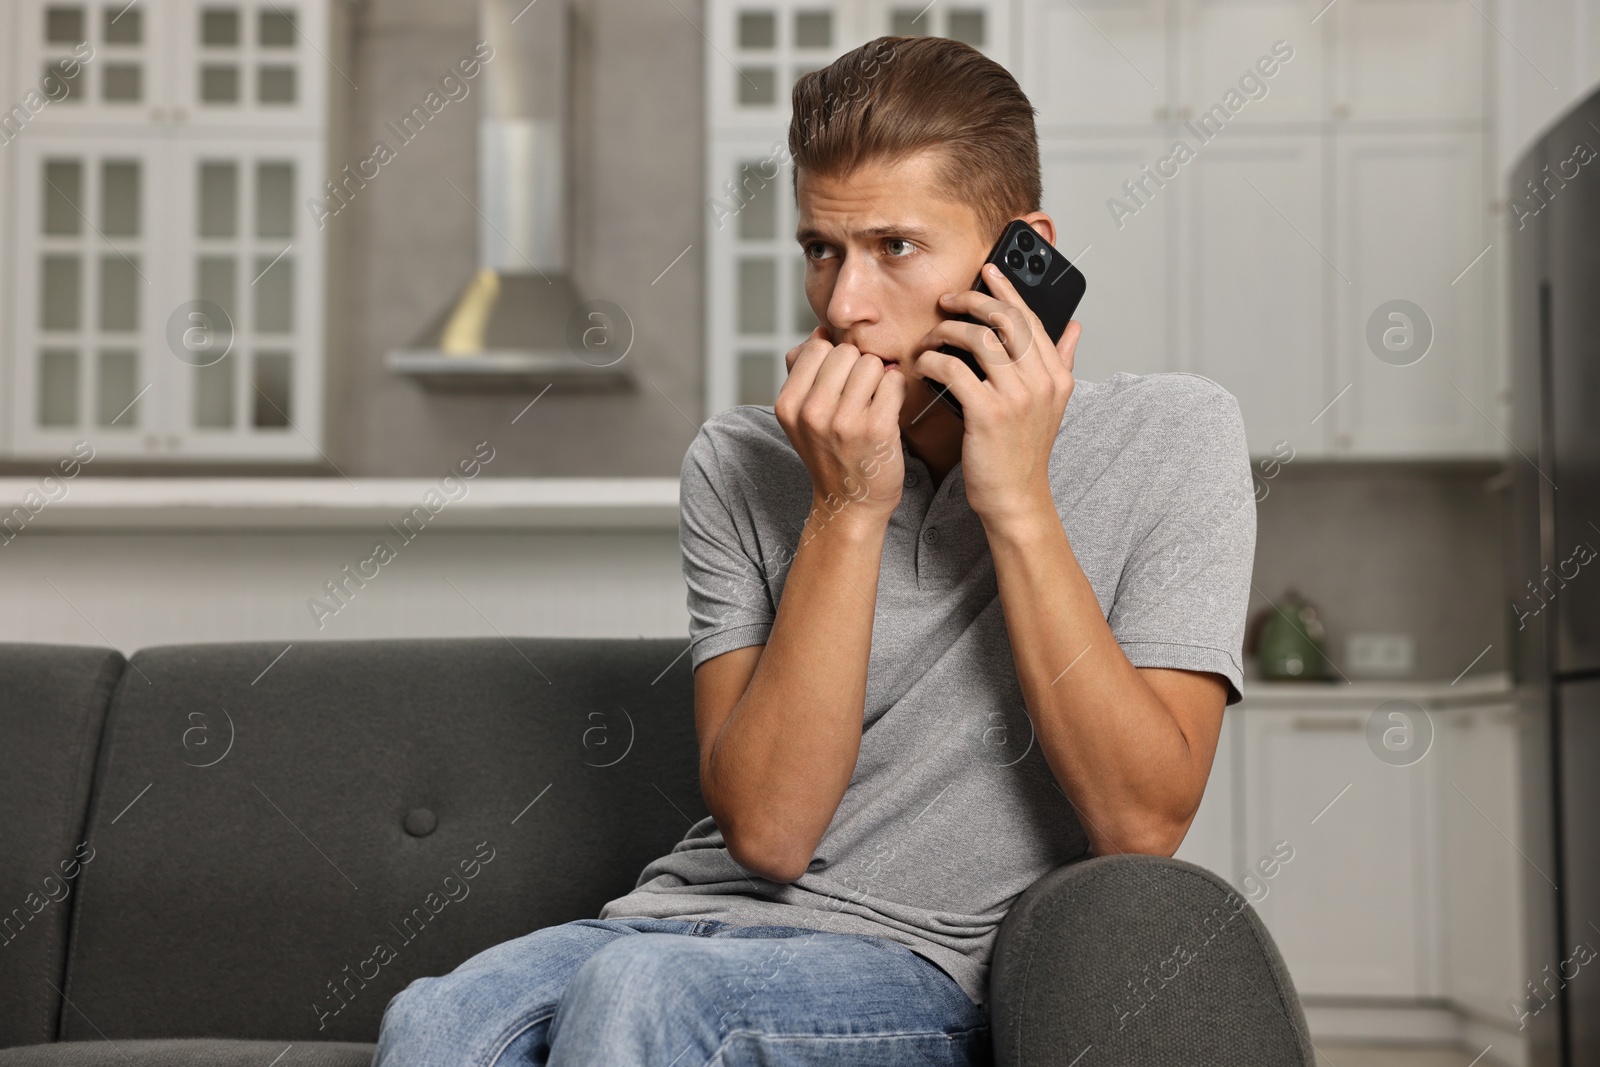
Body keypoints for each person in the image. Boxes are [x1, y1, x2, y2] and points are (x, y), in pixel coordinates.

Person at [373, 31, 1255, 1067]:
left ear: (1025, 256)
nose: (844, 305)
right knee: (434, 1020)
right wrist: (846, 506)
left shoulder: (1174, 437)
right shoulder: (741, 461)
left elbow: (1140, 820)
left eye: (895, 247)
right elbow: (771, 833)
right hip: (676, 923)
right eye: (820, 249)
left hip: (923, 962)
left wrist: (1015, 497)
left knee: (645, 995)